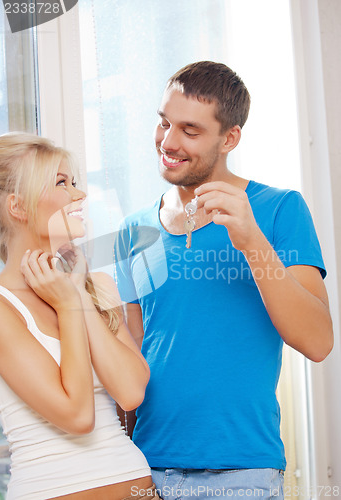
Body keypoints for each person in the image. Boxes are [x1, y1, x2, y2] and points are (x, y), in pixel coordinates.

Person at [115, 61, 333, 499]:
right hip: (145, 468)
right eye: (163, 123)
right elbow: (132, 361)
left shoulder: (277, 209)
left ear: (229, 138)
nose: (169, 142)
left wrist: (251, 240)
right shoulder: (133, 231)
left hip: (241, 474)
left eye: (190, 131)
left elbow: (317, 341)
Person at [0, 133, 161, 500]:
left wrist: (80, 297)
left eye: (75, 182)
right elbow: (77, 416)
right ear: (18, 207)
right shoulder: (2, 308)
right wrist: (69, 305)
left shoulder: (96, 283)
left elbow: (131, 392)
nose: (79, 195)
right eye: (62, 183)